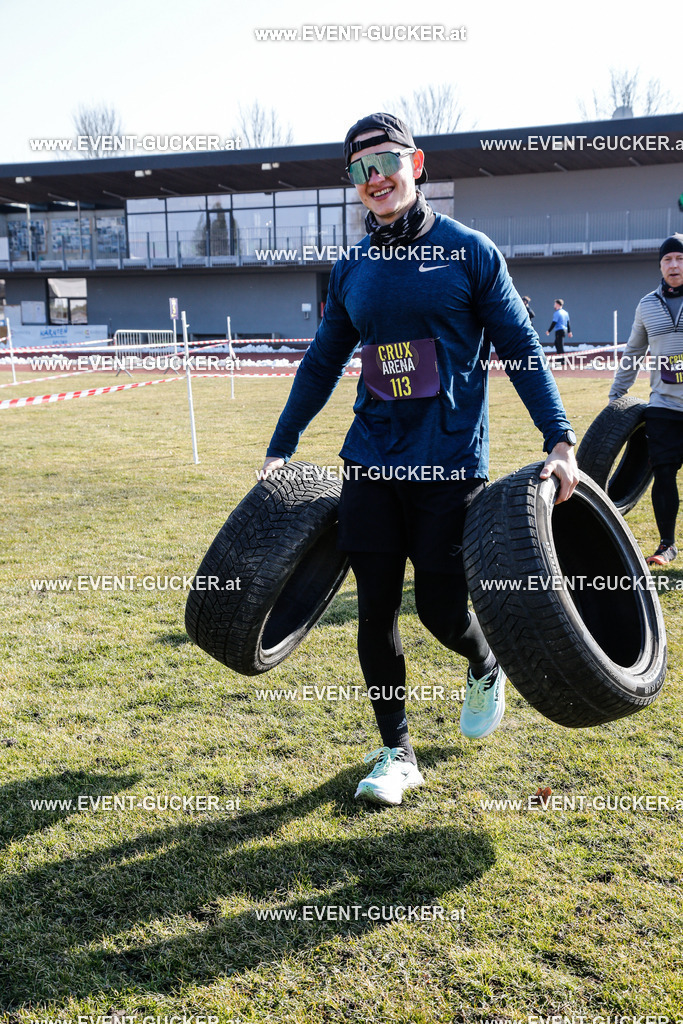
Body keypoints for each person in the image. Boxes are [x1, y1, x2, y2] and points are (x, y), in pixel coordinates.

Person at [260, 112, 579, 806]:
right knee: (375, 607)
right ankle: (395, 750)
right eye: (357, 171)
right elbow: (320, 363)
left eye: (383, 163)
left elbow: (522, 350)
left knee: (439, 609)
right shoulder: (354, 266)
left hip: (447, 464)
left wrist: (558, 438)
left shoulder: (469, 253)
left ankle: (482, 662)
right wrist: (280, 445)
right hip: (370, 460)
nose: (373, 179)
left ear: (416, 162)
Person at [609, 234, 683, 566]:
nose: (674, 265)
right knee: (664, 473)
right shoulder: (647, 305)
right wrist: (615, 400)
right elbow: (633, 353)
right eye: (668, 260)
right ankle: (668, 544)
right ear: (660, 265)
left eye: (680, 259)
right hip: (664, 407)